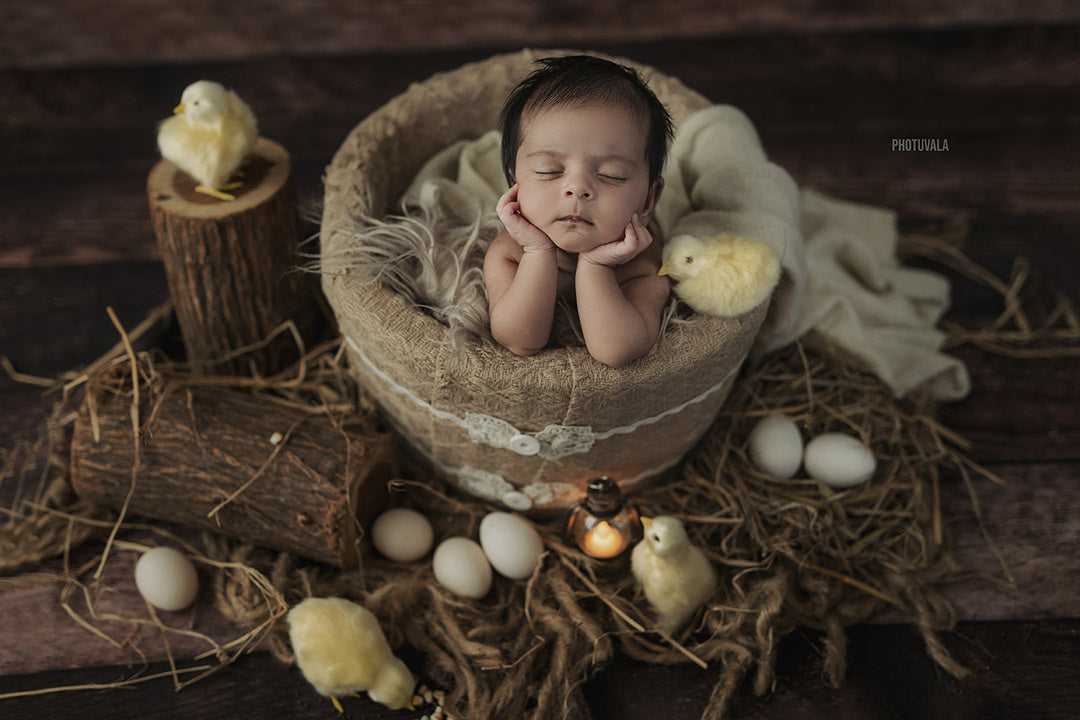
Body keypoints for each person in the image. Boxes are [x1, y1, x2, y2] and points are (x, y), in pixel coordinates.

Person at [483, 55, 673, 368]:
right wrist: (536, 252)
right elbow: (520, 340)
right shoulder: (510, 252)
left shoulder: (643, 264)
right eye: (548, 170)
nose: (577, 189)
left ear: (649, 201)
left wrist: (596, 266)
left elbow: (617, 350)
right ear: (514, 184)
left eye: (612, 174)